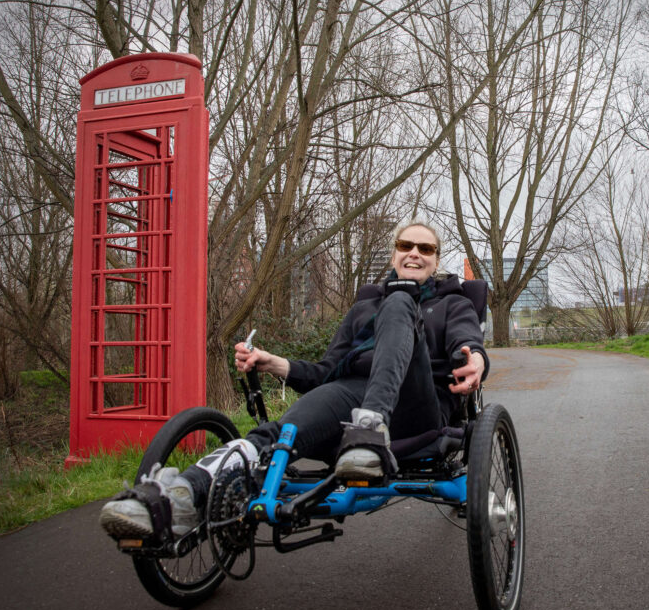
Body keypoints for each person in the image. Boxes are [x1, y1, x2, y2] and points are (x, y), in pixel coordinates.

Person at [99, 220, 488, 540]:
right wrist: (274, 363)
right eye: (406, 245)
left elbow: (467, 342)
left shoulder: (453, 303)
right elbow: (326, 371)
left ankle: (370, 431)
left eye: (426, 249)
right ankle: (180, 496)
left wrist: (477, 361)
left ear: (436, 262)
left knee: (401, 299)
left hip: (416, 403)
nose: (415, 253)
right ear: (394, 254)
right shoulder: (363, 308)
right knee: (278, 435)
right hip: (350, 402)